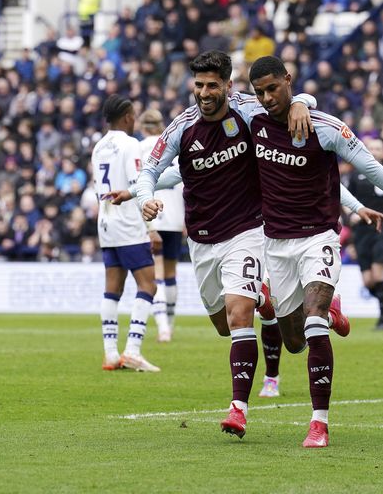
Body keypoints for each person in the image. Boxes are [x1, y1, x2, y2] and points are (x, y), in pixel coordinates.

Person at [114, 50, 316, 441]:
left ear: (227, 84)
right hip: (203, 242)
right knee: (224, 326)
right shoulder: (181, 127)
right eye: (199, 85)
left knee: (241, 318)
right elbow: (151, 171)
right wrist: (144, 198)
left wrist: (304, 103)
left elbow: (287, 99)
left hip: (248, 231)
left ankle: (238, 409)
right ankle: (267, 295)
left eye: (212, 85)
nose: (204, 93)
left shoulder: (247, 109)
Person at [247, 56, 383, 447]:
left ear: (288, 79)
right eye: (260, 92)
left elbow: (374, 170)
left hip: (318, 237)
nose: (268, 98)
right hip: (276, 243)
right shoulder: (251, 120)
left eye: (274, 88)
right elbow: (214, 109)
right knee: (292, 342)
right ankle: (332, 308)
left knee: (314, 319)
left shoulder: (327, 129)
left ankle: (318, 423)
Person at [92, 94, 160, 373]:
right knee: (149, 286)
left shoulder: (98, 146)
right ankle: (132, 350)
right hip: (129, 224)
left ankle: (110, 354)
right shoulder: (130, 144)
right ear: (128, 117)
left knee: (113, 289)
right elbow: (136, 185)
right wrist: (150, 227)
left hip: (105, 223)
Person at [344, 137, 383, 331]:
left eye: (378, 148)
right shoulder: (356, 176)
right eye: (372, 148)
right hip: (361, 231)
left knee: (377, 275)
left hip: (381, 229)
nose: (375, 151)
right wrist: (351, 217)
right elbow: (345, 199)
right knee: (367, 281)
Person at [138, 109, 185, 343]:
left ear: (142, 126)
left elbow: (138, 183)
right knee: (170, 273)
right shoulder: (173, 145)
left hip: (152, 213)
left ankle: (163, 328)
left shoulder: (140, 148)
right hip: (176, 215)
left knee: (155, 272)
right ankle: (171, 321)